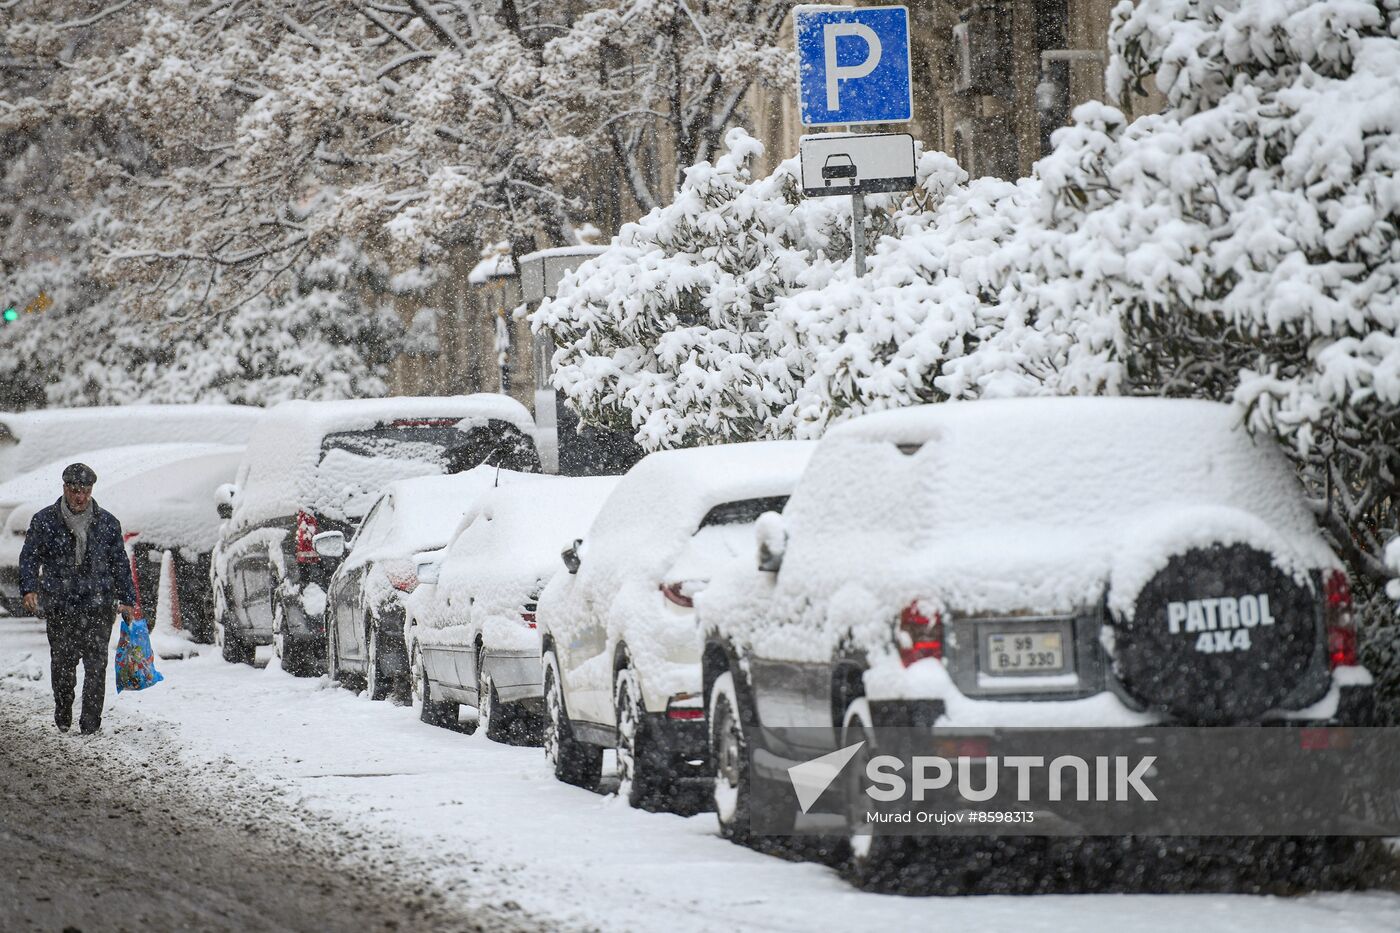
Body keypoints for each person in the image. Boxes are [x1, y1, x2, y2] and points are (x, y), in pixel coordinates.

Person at [19, 462, 138, 734]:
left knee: (96, 665)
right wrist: (29, 588)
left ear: (91, 490)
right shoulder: (45, 521)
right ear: (64, 489)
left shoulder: (107, 523)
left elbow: (120, 563)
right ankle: (63, 707)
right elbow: (29, 557)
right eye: (74, 490)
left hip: (98, 605)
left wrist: (127, 599)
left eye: (85, 490)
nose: (80, 496)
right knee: (62, 663)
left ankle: (90, 723)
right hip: (60, 605)